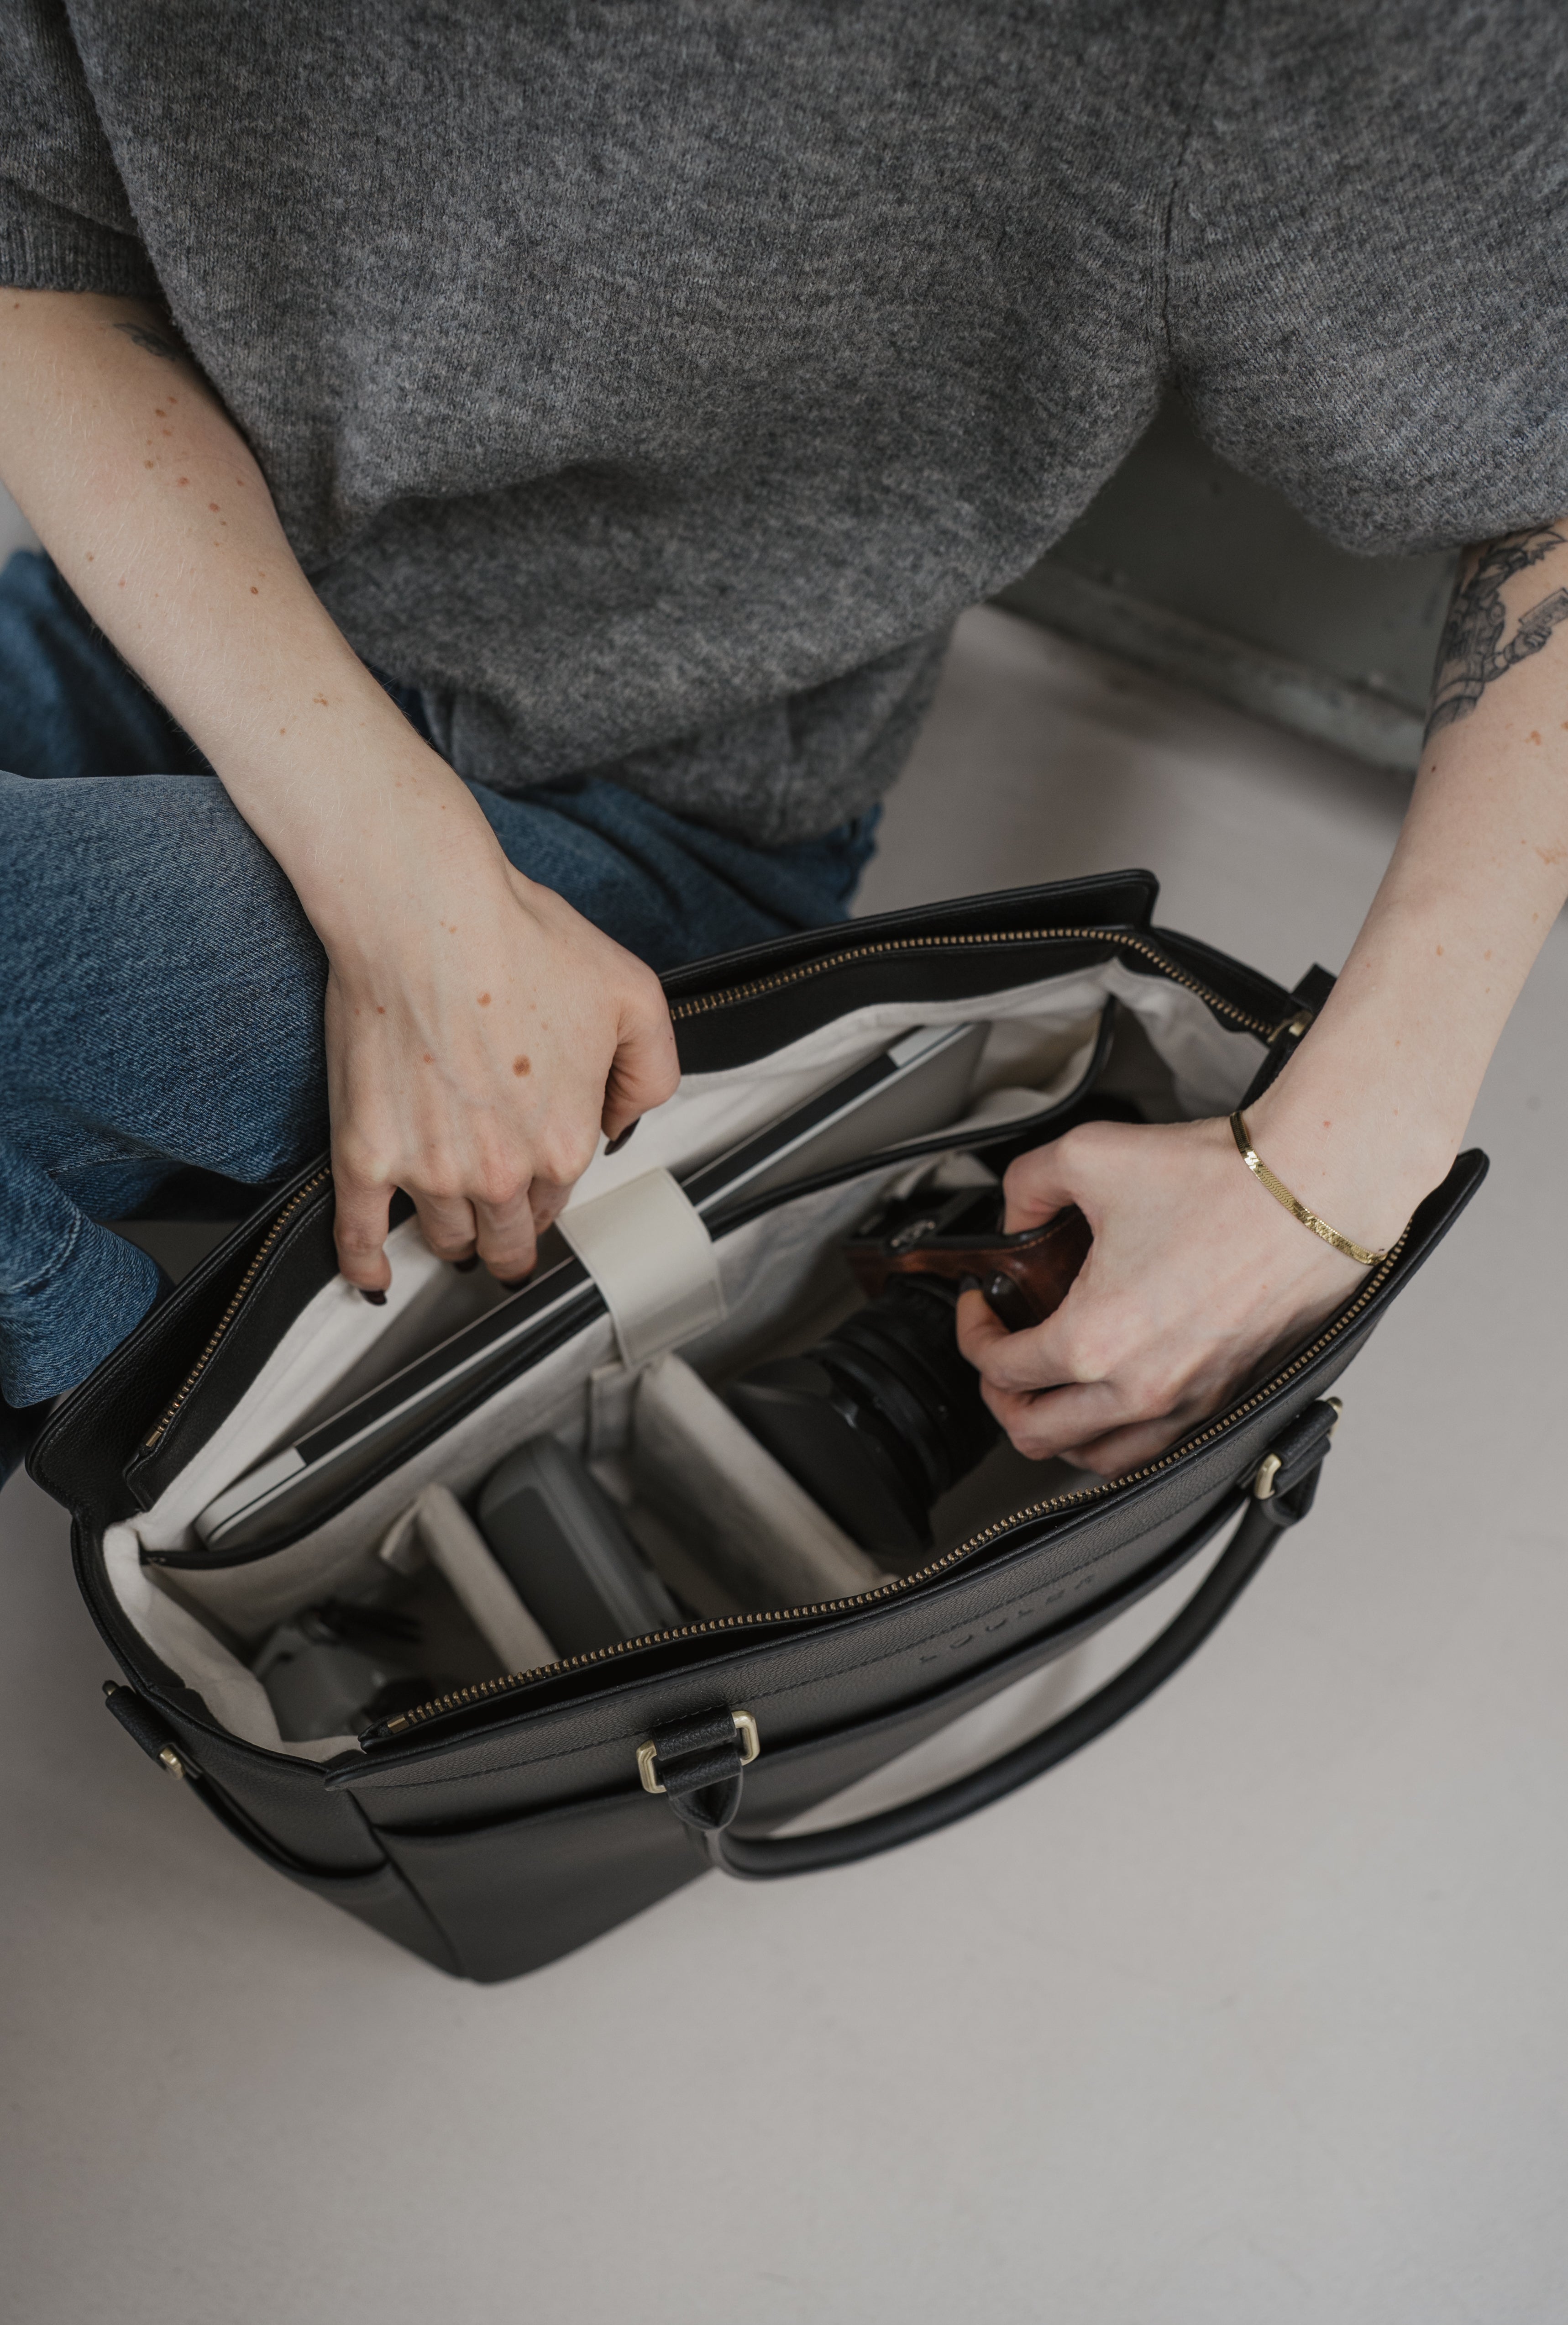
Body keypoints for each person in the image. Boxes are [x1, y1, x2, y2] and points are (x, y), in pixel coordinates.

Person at [1, 1, 1565, 1487]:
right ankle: (143, 1423)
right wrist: (396, 884)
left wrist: (1336, 1181)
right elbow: (35, 223)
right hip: (185, 606)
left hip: (642, 830)